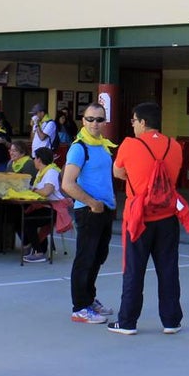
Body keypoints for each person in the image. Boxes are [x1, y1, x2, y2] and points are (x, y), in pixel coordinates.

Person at [108, 102, 185, 335]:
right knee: (168, 269)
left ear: (143, 122)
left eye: (133, 120)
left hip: (138, 217)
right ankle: (171, 321)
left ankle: (127, 321)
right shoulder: (175, 146)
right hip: (168, 217)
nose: (132, 125)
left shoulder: (130, 145)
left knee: (134, 269)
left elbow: (118, 172)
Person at [61, 102, 117, 324]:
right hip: (88, 211)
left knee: (97, 257)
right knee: (85, 258)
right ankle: (80, 307)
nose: (95, 123)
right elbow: (67, 183)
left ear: (105, 122)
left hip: (105, 209)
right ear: (83, 121)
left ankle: (89, 299)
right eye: (90, 119)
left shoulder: (103, 145)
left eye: (99, 119)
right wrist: (92, 203)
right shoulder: (79, 148)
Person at [22, 147, 66, 263]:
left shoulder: (51, 172)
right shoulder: (41, 172)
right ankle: (30, 245)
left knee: (29, 220)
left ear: (39, 159)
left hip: (54, 209)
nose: (33, 160)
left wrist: (33, 190)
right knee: (20, 215)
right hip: (44, 206)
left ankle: (38, 252)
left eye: (34, 158)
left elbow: (47, 191)